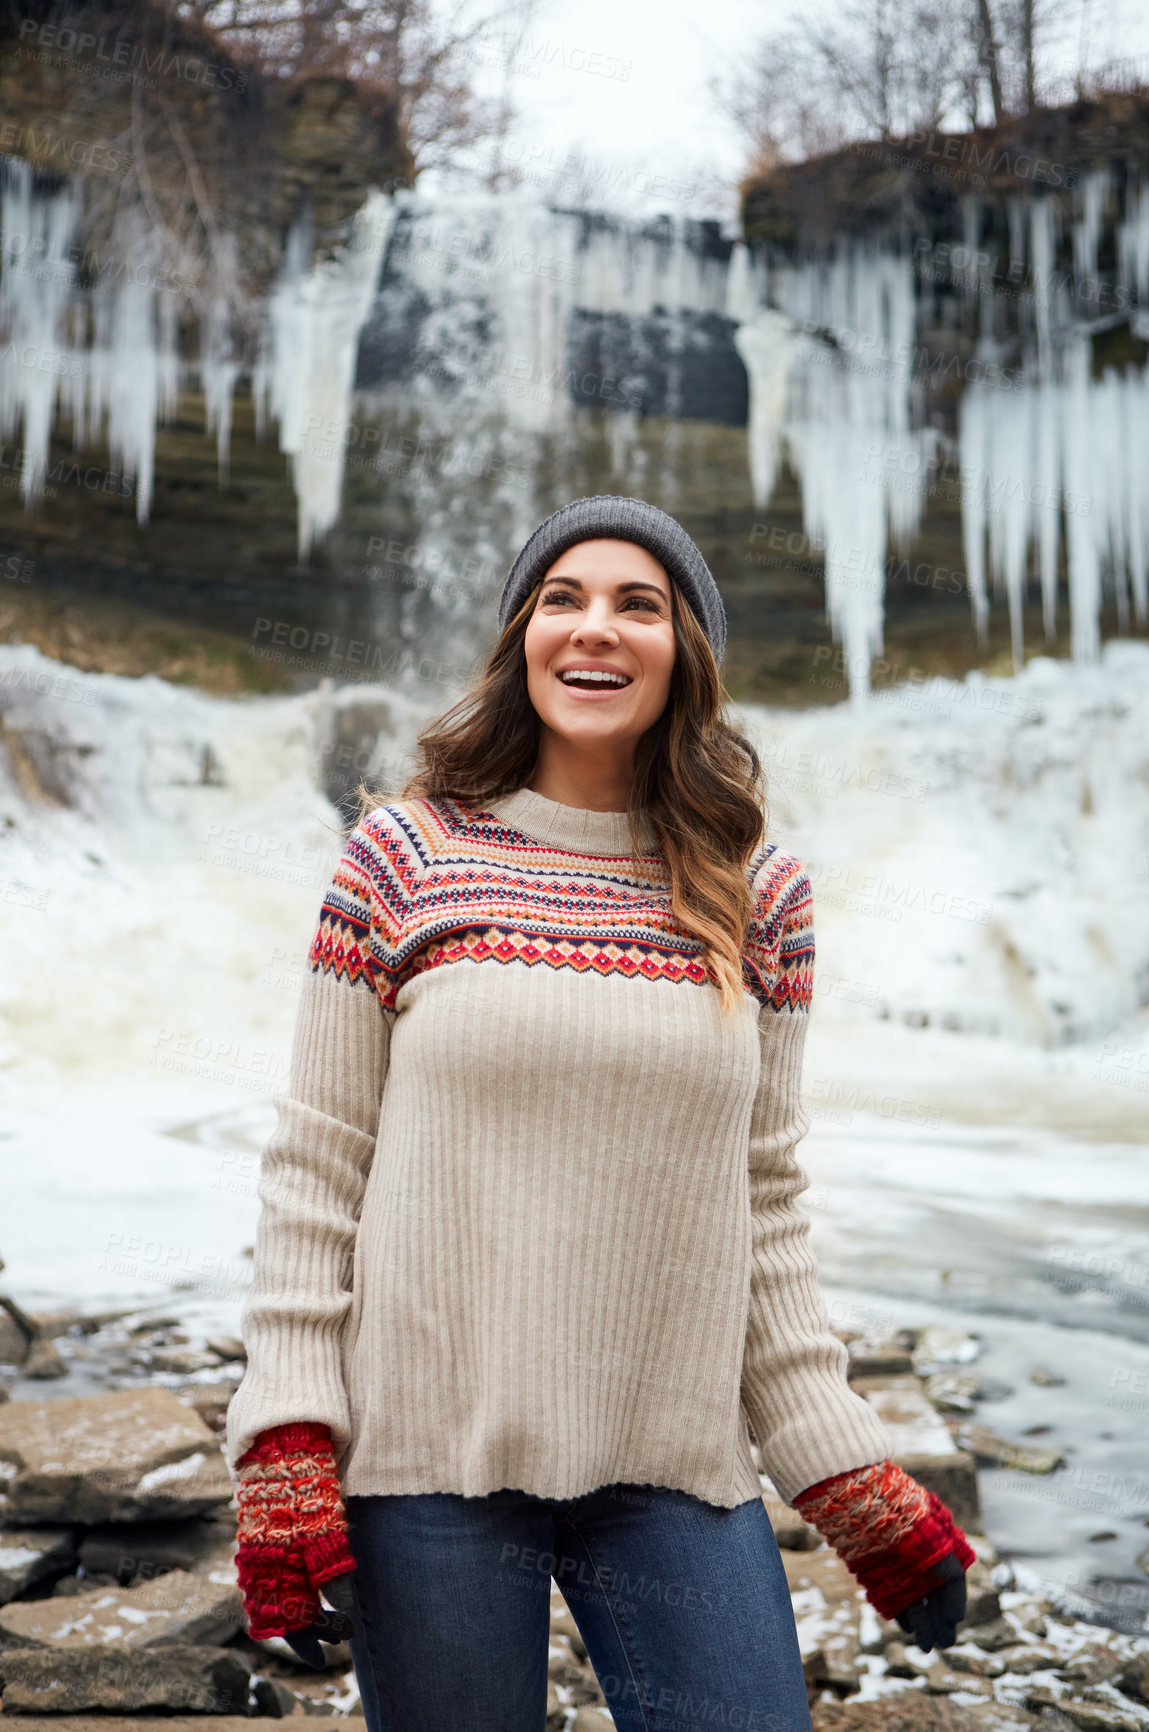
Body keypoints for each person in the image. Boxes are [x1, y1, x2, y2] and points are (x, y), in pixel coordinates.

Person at [224, 496, 973, 1731]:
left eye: (640, 604)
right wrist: (287, 1434)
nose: (596, 628)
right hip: (428, 1464)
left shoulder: (756, 891)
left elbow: (763, 1203)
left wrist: (840, 1467)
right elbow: (318, 1165)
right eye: (562, 598)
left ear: (685, 652)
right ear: (522, 633)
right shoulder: (400, 855)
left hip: (669, 1458)